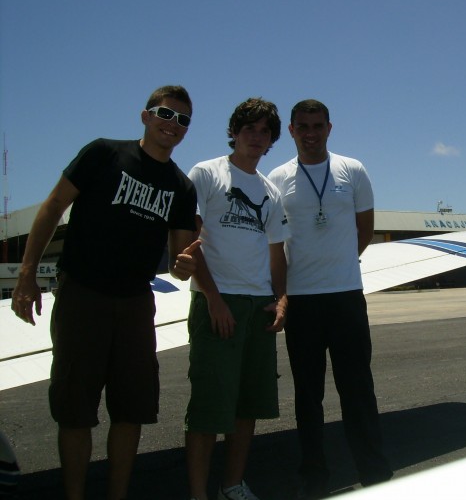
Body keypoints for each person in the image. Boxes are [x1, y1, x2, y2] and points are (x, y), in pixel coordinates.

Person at [10, 85, 200, 500]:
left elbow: (180, 262)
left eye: (183, 120)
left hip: (135, 305)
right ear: (146, 116)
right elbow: (54, 204)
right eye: (166, 114)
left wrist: (186, 265)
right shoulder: (104, 153)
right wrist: (27, 275)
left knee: (131, 411)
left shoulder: (182, 188)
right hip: (83, 296)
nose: (174, 125)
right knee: (76, 411)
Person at [268, 99, 392, 498]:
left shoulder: (352, 170)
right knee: (308, 394)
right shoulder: (278, 177)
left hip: (345, 298)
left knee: (357, 389)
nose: (311, 133)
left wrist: (337, 265)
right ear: (291, 130)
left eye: (318, 125)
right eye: (303, 126)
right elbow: (274, 242)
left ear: (329, 128)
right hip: (302, 302)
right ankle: (314, 475)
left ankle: (375, 473)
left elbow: (364, 231)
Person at [184, 98, 288, 500]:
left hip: (257, 305)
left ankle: (232, 484)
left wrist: (281, 301)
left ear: (271, 140)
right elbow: (192, 242)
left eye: (264, 132)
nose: (256, 137)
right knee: (210, 406)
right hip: (218, 301)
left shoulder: (270, 192)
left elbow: (277, 253)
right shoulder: (207, 173)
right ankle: (198, 493)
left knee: (247, 407)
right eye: (249, 129)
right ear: (235, 131)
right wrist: (213, 298)